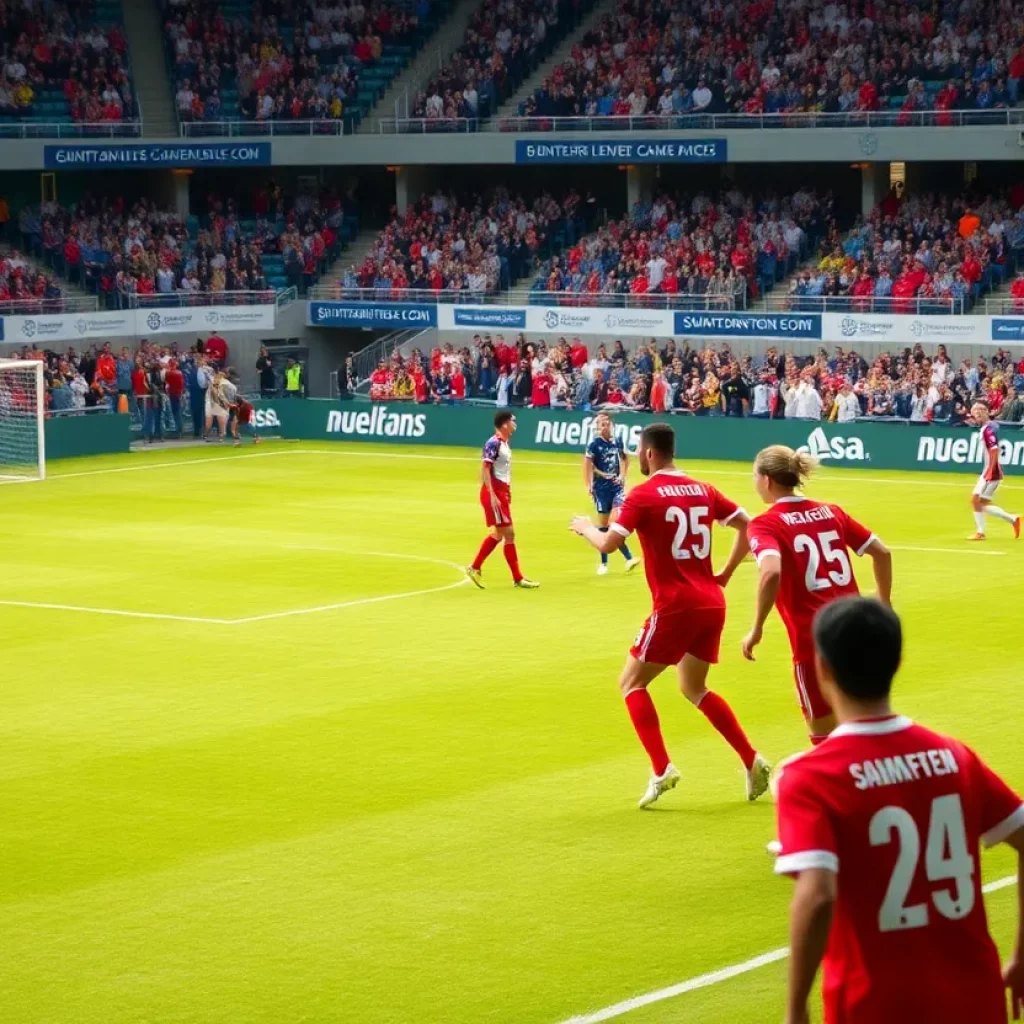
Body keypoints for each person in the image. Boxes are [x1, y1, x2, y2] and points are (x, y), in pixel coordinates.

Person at [774, 597, 1024, 1024]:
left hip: (874, 1005)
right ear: (898, 661)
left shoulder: (808, 776)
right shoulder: (955, 756)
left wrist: (796, 1008)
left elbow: (817, 895)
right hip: (974, 997)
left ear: (822, 669)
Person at [569, 423, 770, 808]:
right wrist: (725, 574)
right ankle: (752, 760)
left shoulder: (643, 495)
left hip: (676, 606)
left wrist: (583, 529)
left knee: (631, 683)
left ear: (648, 453)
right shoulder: (703, 489)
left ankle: (662, 769)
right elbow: (748, 525)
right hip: (712, 603)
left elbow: (610, 541)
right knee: (694, 687)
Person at [735, 445, 892, 745]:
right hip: (858, 630)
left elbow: (771, 572)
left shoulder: (765, 524)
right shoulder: (831, 511)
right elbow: (881, 553)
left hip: (815, 639)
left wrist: (756, 628)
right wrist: (883, 606)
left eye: (754, 475)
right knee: (863, 722)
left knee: (824, 736)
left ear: (766, 480)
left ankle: (847, 788)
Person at [465, 411, 539, 590]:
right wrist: (492, 495)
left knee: (502, 534)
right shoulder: (494, 443)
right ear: (505, 423)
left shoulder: (504, 443)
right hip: (495, 494)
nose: (515, 424)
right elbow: (485, 468)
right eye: (513, 421)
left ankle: (482, 569)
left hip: (501, 492)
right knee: (507, 533)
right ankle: (479, 568)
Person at [583, 412, 641, 576]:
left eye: (606, 424)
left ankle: (629, 558)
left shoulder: (617, 441)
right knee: (604, 526)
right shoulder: (594, 444)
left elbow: (625, 459)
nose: (603, 427)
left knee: (615, 522)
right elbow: (588, 465)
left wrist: (622, 476)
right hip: (601, 490)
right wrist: (589, 484)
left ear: (611, 425)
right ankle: (604, 563)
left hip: (616, 489)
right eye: (600, 424)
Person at [969, 400, 1021, 541]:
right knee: (981, 503)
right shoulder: (989, 426)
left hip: (991, 471)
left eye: (980, 409)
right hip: (990, 470)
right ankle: (1013, 519)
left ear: (987, 411)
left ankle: (980, 533)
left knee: (975, 500)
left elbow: (994, 450)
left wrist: (991, 469)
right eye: (975, 410)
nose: (977, 412)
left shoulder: (989, 429)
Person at [205, 369, 231, 442]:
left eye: (223, 375)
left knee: (221, 420)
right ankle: (206, 436)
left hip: (221, 403)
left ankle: (221, 436)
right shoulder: (213, 382)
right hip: (210, 402)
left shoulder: (227, 383)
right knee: (208, 421)